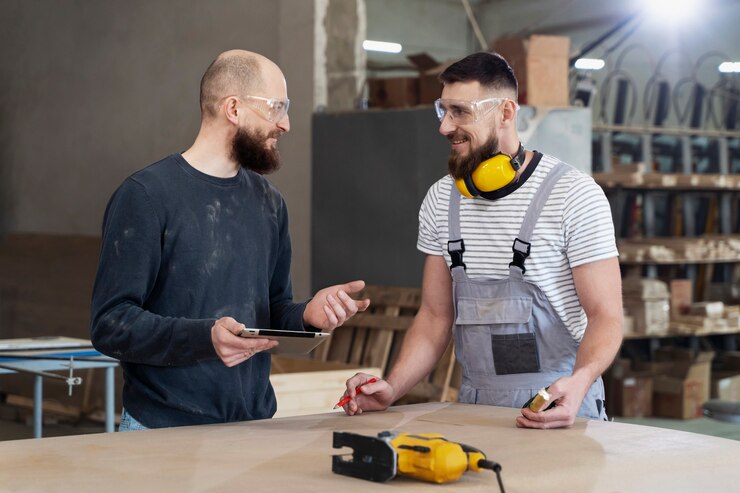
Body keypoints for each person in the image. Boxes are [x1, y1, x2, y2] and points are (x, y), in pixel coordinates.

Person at [91, 49, 370, 430]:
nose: (285, 123)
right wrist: (204, 337)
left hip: (253, 427)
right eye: (277, 107)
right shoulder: (146, 196)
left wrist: (307, 316)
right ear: (234, 109)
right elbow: (111, 324)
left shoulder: (270, 203)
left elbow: (272, 310)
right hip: (162, 430)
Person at [342, 52, 623, 429]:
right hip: (475, 410)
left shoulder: (573, 194)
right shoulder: (442, 200)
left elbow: (606, 316)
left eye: (459, 111)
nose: (445, 126)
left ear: (506, 113)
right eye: (442, 110)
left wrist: (581, 381)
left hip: (562, 407)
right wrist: (392, 388)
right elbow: (434, 317)